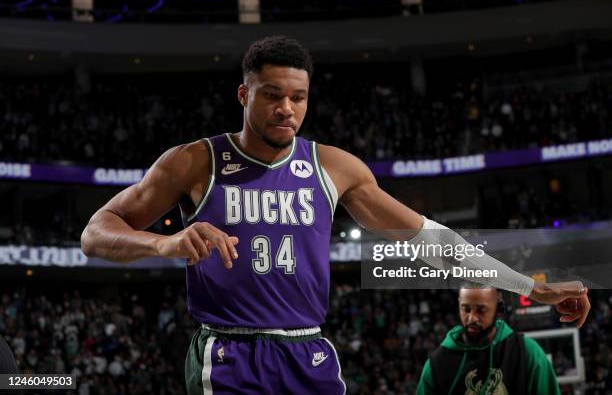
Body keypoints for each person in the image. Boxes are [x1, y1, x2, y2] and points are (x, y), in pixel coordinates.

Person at [81, 36, 590, 394]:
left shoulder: (333, 167)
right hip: (229, 353)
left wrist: (530, 285)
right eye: (272, 95)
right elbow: (96, 232)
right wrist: (164, 243)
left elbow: (434, 241)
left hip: (309, 351)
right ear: (244, 94)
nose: (287, 109)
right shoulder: (196, 161)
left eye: (298, 98)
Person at [416, 284, 561, 395]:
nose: (472, 318)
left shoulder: (528, 353)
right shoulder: (437, 364)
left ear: (498, 309)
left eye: (481, 310)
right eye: (466, 309)